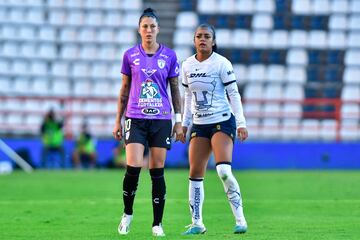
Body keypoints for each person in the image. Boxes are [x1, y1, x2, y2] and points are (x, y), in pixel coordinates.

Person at [112, 8, 183, 237]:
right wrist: (117, 121)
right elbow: (124, 89)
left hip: (161, 118)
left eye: (153, 26)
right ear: (139, 29)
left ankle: (157, 224)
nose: (149, 30)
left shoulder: (170, 56)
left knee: (157, 171)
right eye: (145, 26)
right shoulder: (129, 55)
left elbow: (175, 90)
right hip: (135, 117)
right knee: (132, 167)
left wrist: (179, 121)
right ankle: (127, 214)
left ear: (158, 29)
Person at [179, 23, 249, 235]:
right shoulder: (187, 65)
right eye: (199, 36)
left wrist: (241, 122)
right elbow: (188, 96)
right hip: (199, 125)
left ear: (213, 41)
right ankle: (197, 223)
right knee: (195, 173)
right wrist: (184, 123)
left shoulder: (221, 63)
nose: (202, 39)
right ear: (194, 40)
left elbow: (234, 95)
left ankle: (240, 220)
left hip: (222, 121)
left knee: (223, 171)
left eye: (207, 36)